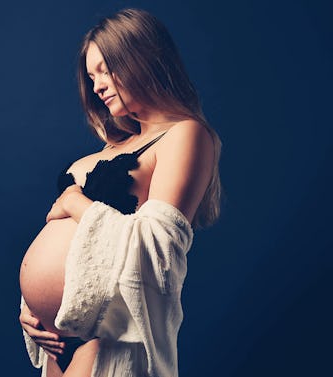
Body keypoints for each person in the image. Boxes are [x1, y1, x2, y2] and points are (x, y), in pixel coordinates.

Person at [19, 8, 222, 377]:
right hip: (58, 344)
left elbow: (156, 251)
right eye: (90, 76)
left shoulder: (185, 134)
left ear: (141, 59)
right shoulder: (115, 145)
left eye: (105, 70)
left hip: (109, 340)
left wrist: (74, 202)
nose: (96, 85)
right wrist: (31, 308)